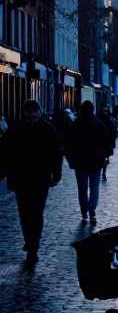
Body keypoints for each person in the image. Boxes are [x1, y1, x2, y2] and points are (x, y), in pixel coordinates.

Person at [0, 99, 63, 262]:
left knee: (32, 213)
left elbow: (56, 154)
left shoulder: (18, 131)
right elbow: (5, 155)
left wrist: (56, 174)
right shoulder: (43, 130)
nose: (33, 116)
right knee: (27, 213)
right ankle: (31, 242)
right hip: (26, 179)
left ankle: (32, 244)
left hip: (33, 179)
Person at [64, 100, 114, 225]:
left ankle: (84, 211)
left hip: (80, 162)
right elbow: (107, 142)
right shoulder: (99, 124)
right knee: (94, 187)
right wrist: (107, 155)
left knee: (82, 188)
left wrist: (71, 160)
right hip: (96, 161)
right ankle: (91, 209)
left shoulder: (75, 124)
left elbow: (67, 144)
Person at [98, 106, 118, 180]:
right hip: (101, 143)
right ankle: (103, 171)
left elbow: (114, 132)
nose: (105, 113)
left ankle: (104, 171)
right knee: (104, 158)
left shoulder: (110, 121)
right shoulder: (101, 121)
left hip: (107, 143)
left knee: (106, 158)